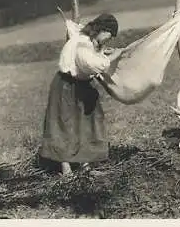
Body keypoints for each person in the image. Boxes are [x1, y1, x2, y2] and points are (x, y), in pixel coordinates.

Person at [39, 13, 123, 175]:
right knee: (65, 124)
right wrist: (112, 57)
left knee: (86, 124)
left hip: (81, 85)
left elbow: (90, 56)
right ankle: (66, 169)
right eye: (109, 35)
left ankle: (85, 166)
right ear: (102, 30)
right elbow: (90, 64)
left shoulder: (87, 40)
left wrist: (102, 52)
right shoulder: (82, 43)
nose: (109, 39)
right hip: (66, 85)